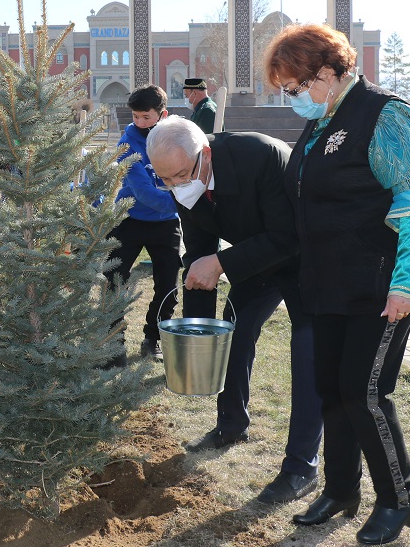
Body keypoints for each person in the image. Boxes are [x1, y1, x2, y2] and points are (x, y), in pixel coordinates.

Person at [263, 23, 410, 544]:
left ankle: (398, 500)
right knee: (331, 389)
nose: (292, 100)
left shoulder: (384, 114)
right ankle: (340, 490)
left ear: (328, 73)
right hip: (325, 285)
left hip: (378, 287)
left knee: (365, 391)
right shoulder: (320, 122)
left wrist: (407, 284)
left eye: (294, 87)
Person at [146, 116, 324, 505]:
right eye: (165, 180)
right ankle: (230, 425)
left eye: (180, 176)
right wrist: (197, 332)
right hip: (258, 259)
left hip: (310, 258)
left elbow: (288, 235)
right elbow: (198, 251)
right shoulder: (181, 175)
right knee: (233, 331)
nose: (175, 186)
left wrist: (222, 264)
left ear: (204, 155)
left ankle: (301, 466)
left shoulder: (262, 156)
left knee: (308, 352)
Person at [105, 84, 181, 364]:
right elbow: (143, 192)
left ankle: (154, 339)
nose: (140, 123)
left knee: (168, 285)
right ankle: (113, 344)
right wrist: (187, 206)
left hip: (166, 225)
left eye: (146, 117)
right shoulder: (127, 143)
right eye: (135, 117)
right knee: (114, 280)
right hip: (129, 219)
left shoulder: (179, 138)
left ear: (163, 114)